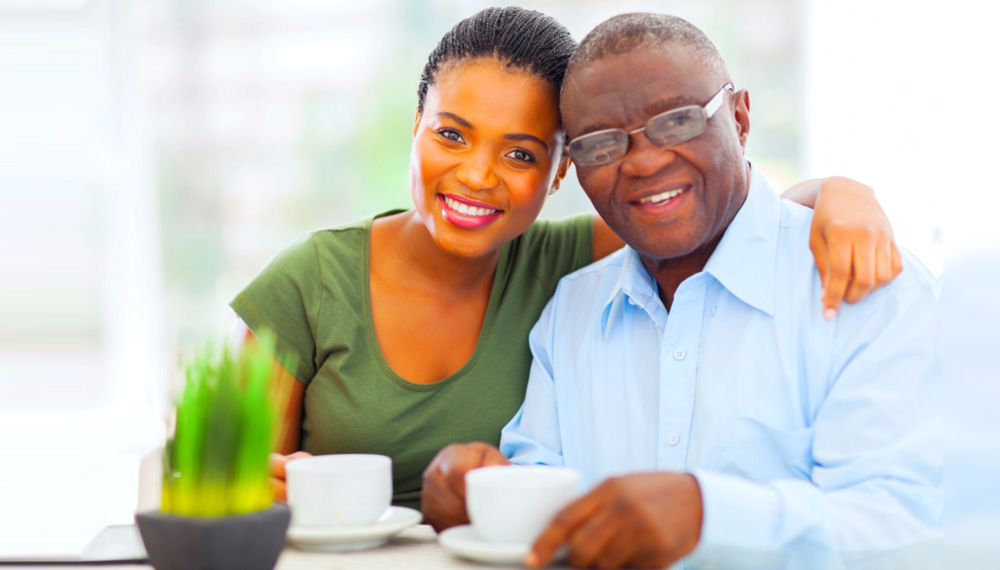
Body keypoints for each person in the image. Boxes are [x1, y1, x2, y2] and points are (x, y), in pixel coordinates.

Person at [233, 7, 902, 512]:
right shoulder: (310, 283)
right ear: (416, 129)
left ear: (561, 173)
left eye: (520, 153)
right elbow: (216, 479)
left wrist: (844, 195)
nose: (477, 175)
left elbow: (721, 211)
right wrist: (242, 480)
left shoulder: (575, 261)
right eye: (451, 135)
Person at [421, 12, 941, 570]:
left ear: (740, 118)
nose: (644, 162)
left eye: (677, 121)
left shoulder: (870, 285)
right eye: (602, 144)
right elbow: (543, 497)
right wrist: (477, 495)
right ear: (573, 167)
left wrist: (707, 515)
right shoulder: (570, 310)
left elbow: (910, 526)